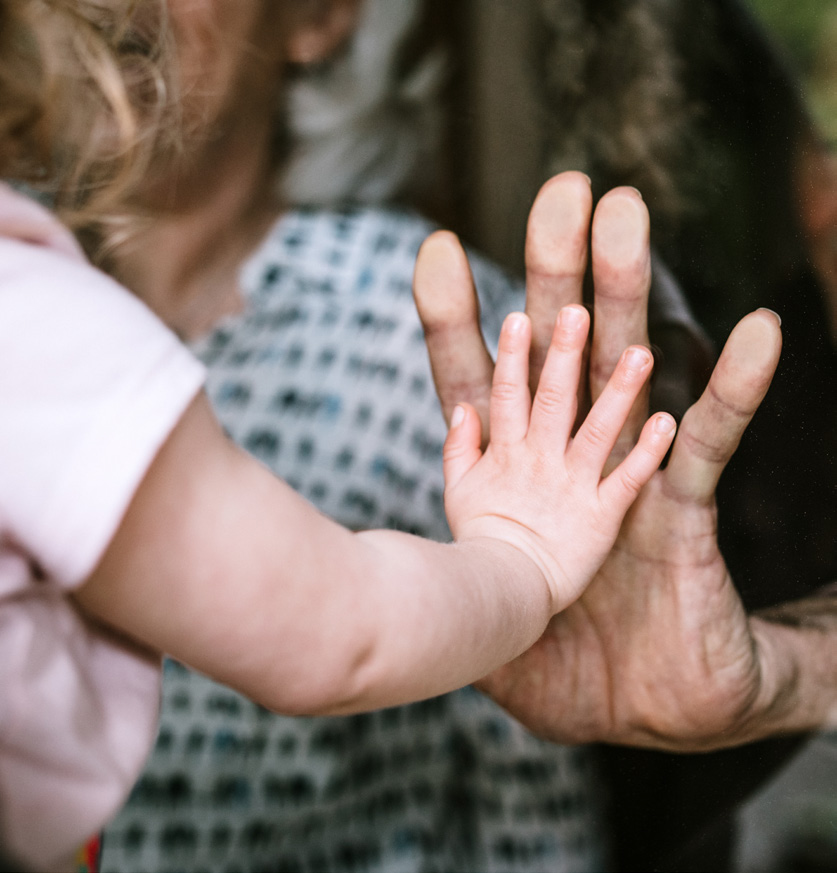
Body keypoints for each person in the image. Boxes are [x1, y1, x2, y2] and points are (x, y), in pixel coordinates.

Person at [0, 14, 681, 873]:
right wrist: (524, 564)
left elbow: (528, 808)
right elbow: (342, 629)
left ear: (318, 16)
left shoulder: (439, 344)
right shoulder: (35, 316)